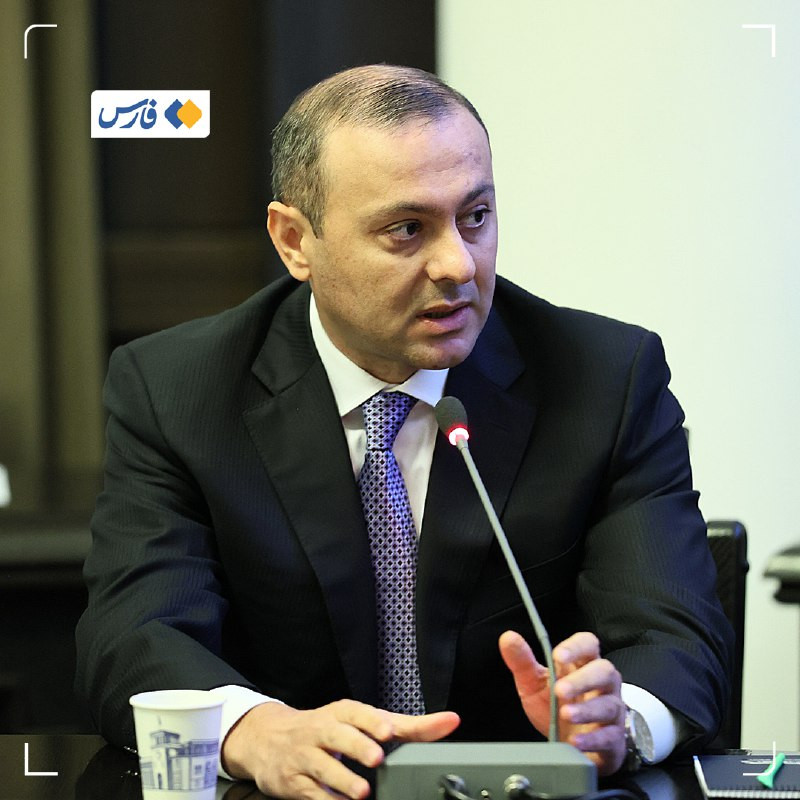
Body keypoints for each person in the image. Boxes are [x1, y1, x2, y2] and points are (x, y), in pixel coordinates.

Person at [75, 64, 733, 800]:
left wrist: (620, 721)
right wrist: (255, 731)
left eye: (475, 216)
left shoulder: (603, 380)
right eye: (407, 229)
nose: (457, 265)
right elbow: (135, 636)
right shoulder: (179, 390)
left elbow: (676, 638)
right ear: (295, 241)